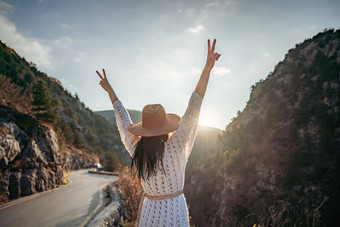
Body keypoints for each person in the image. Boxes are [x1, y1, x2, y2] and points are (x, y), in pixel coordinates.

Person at [96, 39, 221, 227]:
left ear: (144, 130)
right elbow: (194, 106)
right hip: (176, 214)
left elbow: (123, 120)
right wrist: (207, 69)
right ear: (165, 129)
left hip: (149, 214)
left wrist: (110, 90)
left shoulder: (137, 150)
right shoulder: (176, 147)